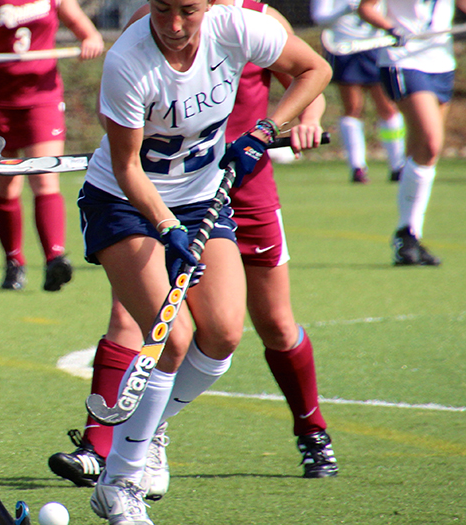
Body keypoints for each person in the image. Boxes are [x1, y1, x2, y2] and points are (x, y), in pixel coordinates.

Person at [49, 0, 340, 500]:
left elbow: (315, 68)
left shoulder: (241, 27)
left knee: (225, 333)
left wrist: (265, 130)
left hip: (204, 198)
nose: (176, 26)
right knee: (173, 337)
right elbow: (127, 168)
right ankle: (120, 483)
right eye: (164, 9)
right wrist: (166, 227)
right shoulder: (128, 60)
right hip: (127, 203)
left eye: (188, 10)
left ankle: (147, 428)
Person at [0, 0, 105, 291]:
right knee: (7, 186)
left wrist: (90, 40)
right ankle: (14, 264)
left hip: (41, 97)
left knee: (45, 178)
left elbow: (86, 31)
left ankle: (55, 259)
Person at [358, 0, 462, 266]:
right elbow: (367, 7)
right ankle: (407, 236)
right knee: (430, 143)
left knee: (424, 153)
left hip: (441, 62)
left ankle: (408, 234)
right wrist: (390, 27)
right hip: (403, 60)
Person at [311, 0, 406, 184]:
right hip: (345, 48)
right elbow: (320, 18)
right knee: (353, 108)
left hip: (376, 48)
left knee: (387, 108)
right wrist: (344, 10)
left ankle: (398, 165)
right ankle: (357, 167)